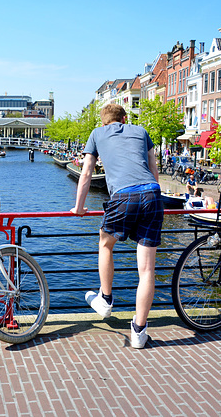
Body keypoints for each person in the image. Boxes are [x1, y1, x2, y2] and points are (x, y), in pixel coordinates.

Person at [71, 103, 163, 349]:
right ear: (124, 119)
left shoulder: (97, 134)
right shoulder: (141, 131)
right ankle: (139, 333)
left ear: (103, 122)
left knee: (105, 242)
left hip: (124, 196)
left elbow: (87, 172)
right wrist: (154, 196)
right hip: (152, 194)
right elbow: (153, 167)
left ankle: (106, 299)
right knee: (146, 270)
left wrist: (79, 207)